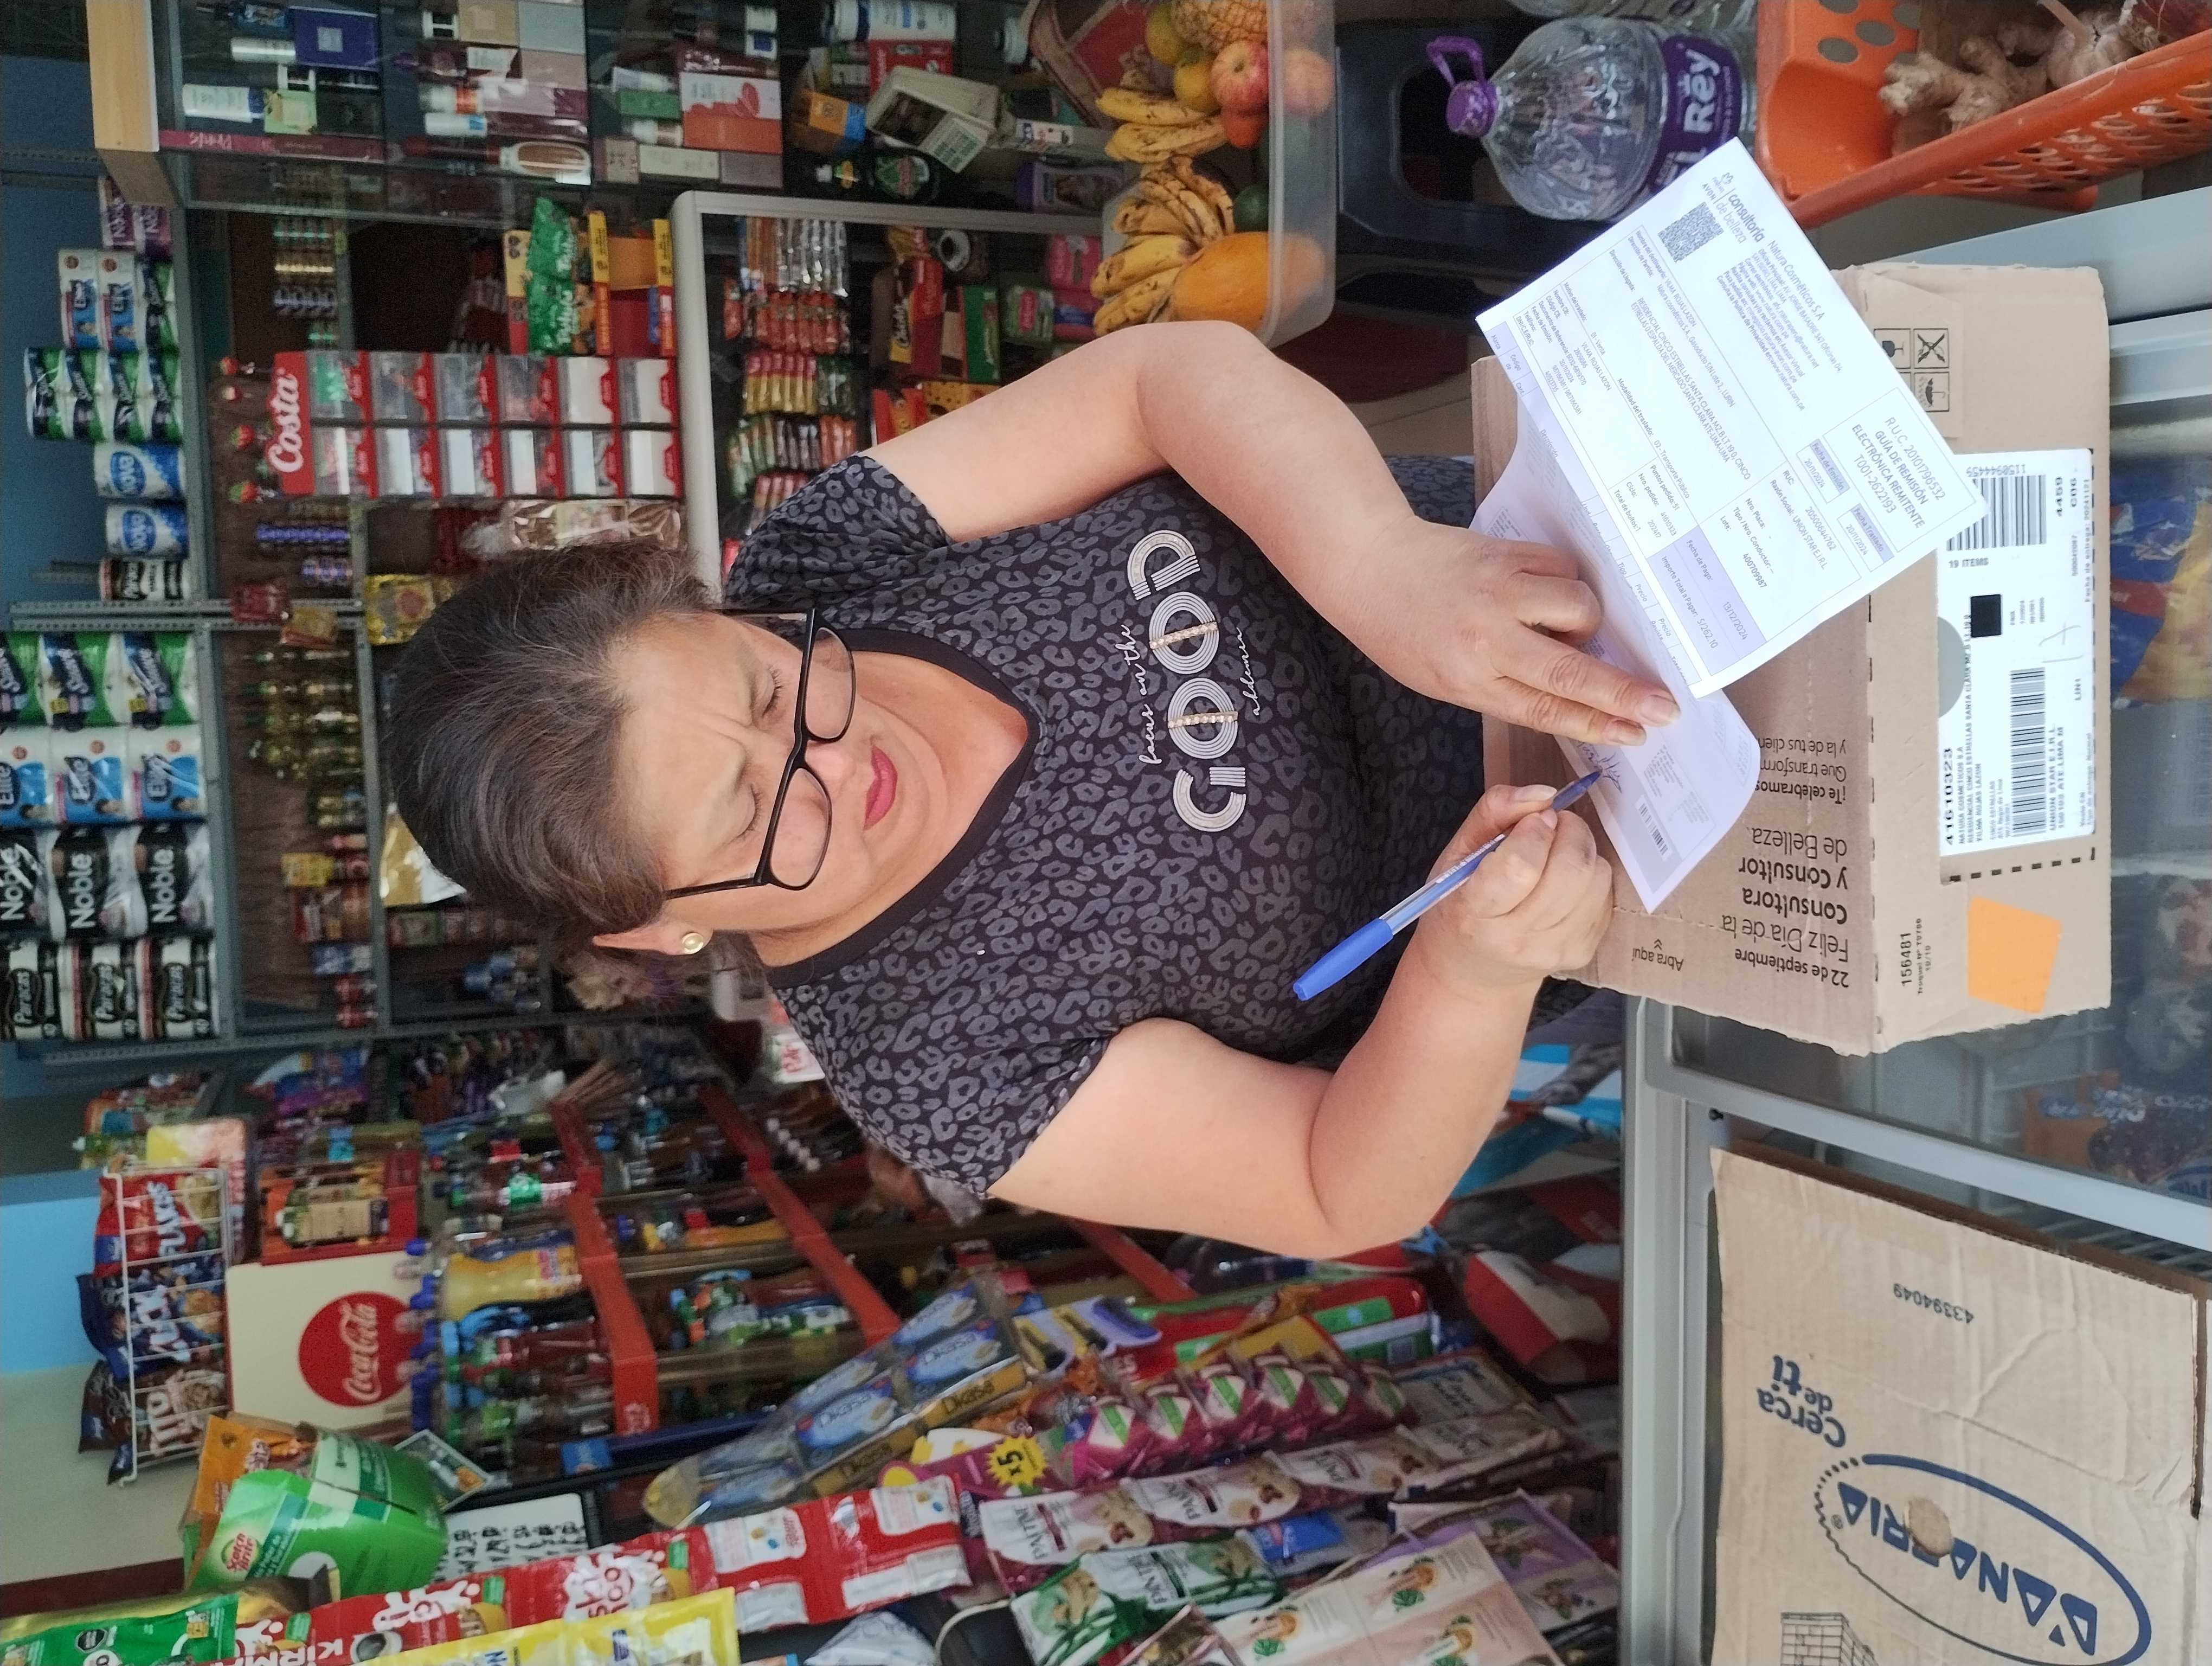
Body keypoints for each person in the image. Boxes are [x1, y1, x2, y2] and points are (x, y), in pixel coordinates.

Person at [388, 323, 1677, 1255]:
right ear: (662, 926)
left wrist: (1379, 567)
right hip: (1650, 847)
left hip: (1591, 560)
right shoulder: (934, 1062)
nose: (844, 752)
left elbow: (1160, 382)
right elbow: (1332, 1186)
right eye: (756, 810)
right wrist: (1470, 971)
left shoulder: (823, 559)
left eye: (771, 685)